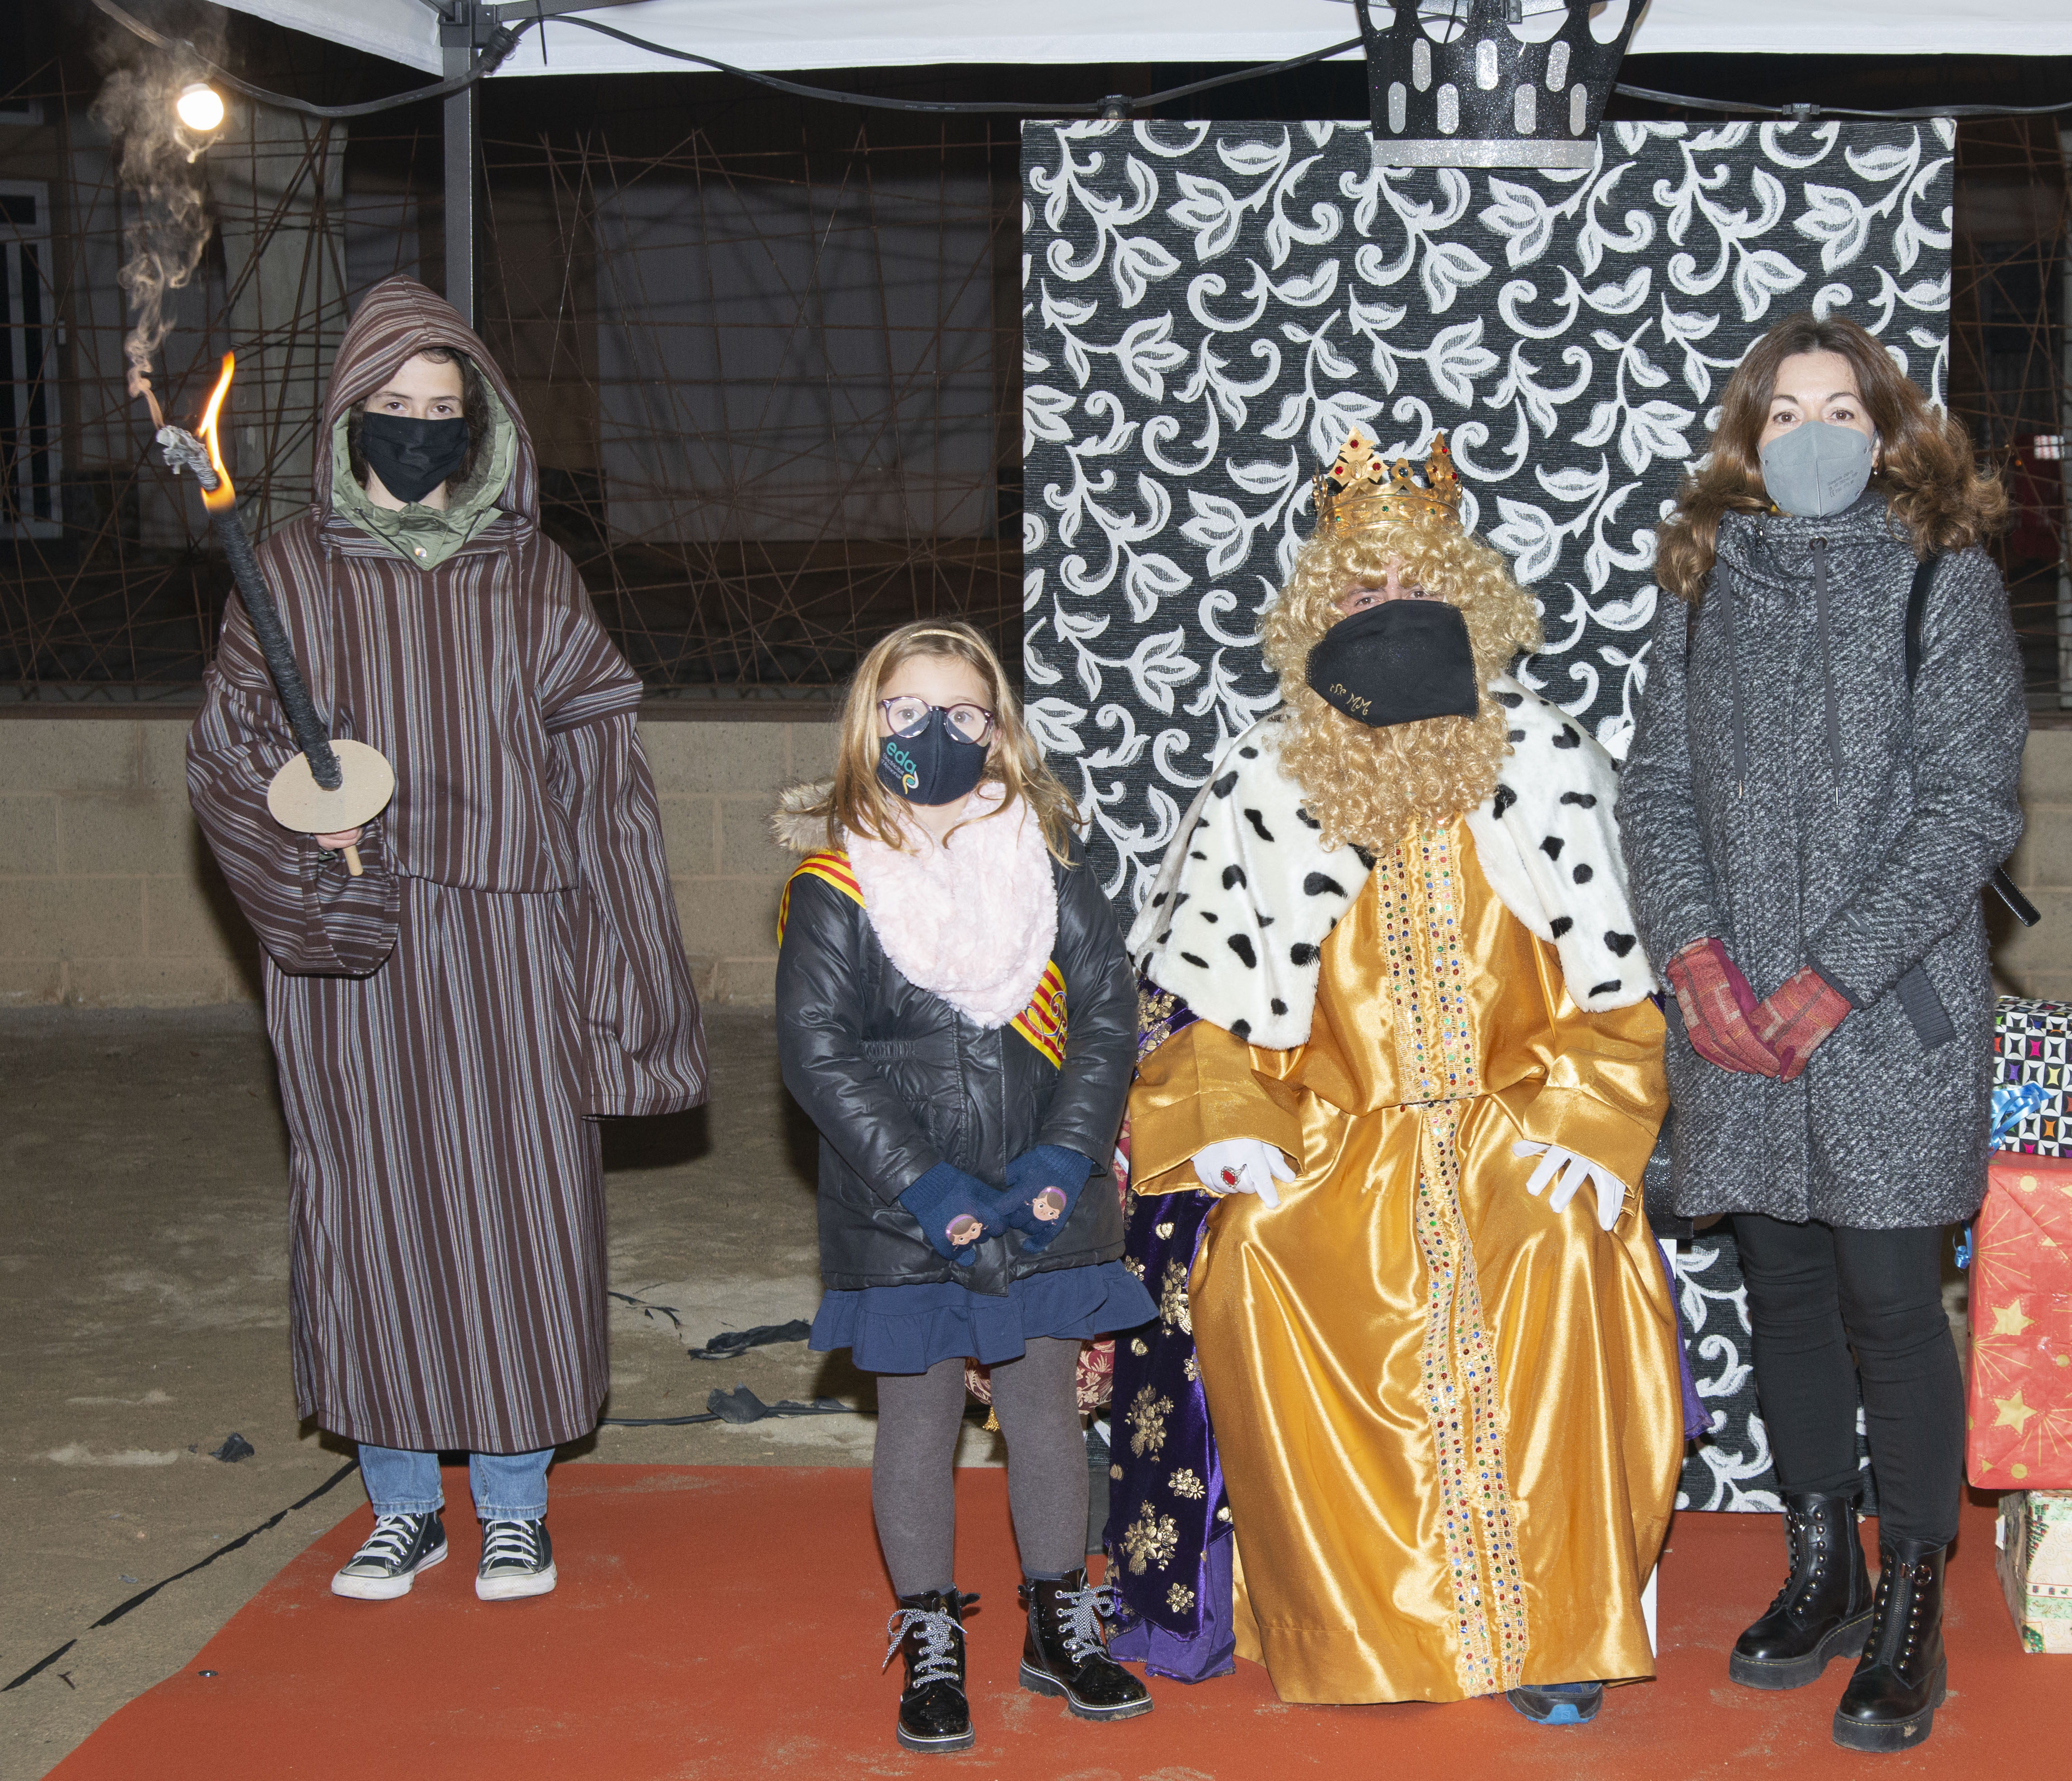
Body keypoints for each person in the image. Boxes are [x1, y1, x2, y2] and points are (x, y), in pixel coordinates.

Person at [1112, 432, 1686, 1723]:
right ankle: (1358, 1627)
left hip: (1514, 1120)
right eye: (1360, 588)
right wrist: (1229, 1122)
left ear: (1463, 596)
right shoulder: (1264, 778)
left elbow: (1618, 991)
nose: (1387, 608)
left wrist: (1591, 1116)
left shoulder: (1544, 760)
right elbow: (1201, 1013)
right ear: (1319, 612)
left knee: (1558, 1248)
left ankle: (1556, 1629)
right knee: (1258, 1257)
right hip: (1336, 1137)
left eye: (1413, 583)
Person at [185, 275, 708, 1603]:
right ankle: (403, 1502)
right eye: (393, 404)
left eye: (441, 409)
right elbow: (229, 756)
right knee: (371, 1211)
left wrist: (622, 976)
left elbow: (602, 784)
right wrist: (313, 859)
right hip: (354, 948)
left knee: (520, 1210)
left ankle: (517, 1505)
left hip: (512, 940)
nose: (417, 429)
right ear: (346, 417)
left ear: (482, 430)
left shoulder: (531, 575)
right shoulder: (289, 575)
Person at [1617, 314, 2025, 1753]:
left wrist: (1835, 978)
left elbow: (1972, 805)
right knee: (1783, 1295)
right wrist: (1691, 956)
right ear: (1746, 439)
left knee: (1892, 1308)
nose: (1810, 435)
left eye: (1839, 409)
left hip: (1888, 1021)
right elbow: (1655, 787)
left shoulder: (1944, 578)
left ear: (1891, 430)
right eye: (1782, 412)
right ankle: (1822, 1564)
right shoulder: (1702, 582)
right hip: (1733, 1022)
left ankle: (1912, 1596)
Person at [772, 620, 1156, 1755]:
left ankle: (1057, 1622)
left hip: (1043, 1198)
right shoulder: (835, 883)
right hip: (901, 1209)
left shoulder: (1048, 864)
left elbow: (1107, 1014)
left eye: (960, 713)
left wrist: (1064, 1157)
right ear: (869, 721)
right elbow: (817, 1055)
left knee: (1043, 1414)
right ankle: (932, 1635)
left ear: (997, 734)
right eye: (906, 711)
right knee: (919, 1419)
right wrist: (926, 1186)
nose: (931, 732)